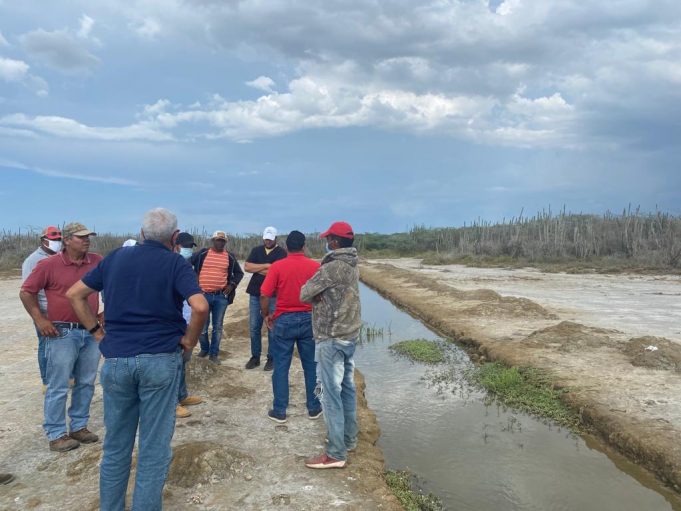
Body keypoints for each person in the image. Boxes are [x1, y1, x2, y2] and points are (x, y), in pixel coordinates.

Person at [66, 208, 209, 511]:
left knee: (116, 446)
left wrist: (97, 333)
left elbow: (75, 294)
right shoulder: (175, 263)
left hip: (117, 360)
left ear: (142, 233)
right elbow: (199, 307)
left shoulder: (115, 258)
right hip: (159, 359)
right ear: (174, 238)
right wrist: (188, 343)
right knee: (153, 449)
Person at [19, 222, 103, 452]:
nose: (87, 240)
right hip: (62, 331)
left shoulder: (96, 261)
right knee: (59, 384)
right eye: (81, 237)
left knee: (86, 381)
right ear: (66, 240)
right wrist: (40, 319)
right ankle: (56, 434)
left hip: (91, 330)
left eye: (89, 237)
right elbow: (27, 292)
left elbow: (112, 285)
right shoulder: (49, 265)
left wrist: (107, 312)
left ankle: (79, 426)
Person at [301, 221, 361, 469]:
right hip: (349, 335)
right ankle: (349, 439)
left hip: (331, 337)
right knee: (347, 388)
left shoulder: (332, 266)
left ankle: (336, 453)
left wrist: (316, 294)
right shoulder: (352, 263)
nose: (327, 241)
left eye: (329, 238)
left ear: (335, 241)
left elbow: (304, 293)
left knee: (330, 395)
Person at [260, 230, 322, 423]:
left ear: (287, 247)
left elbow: (264, 295)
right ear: (304, 246)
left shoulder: (278, 267)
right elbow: (321, 296)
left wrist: (266, 316)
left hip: (284, 320)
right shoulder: (315, 266)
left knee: (281, 366)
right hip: (307, 319)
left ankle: (280, 410)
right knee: (311, 366)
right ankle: (314, 408)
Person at [190, 230, 243, 364]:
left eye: (223, 241)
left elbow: (239, 273)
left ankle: (214, 354)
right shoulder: (202, 254)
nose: (220, 242)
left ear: (225, 242)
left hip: (220, 297)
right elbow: (186, 263)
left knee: (217, 327)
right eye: (218, 240)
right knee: (202, 326)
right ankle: (204, 349)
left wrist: (232, 285)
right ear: (213, 241)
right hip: (203, 296)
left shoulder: (230, 257)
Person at [21, 225, 62, 387]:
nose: (57, 242)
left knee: (63, 345)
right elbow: (27, 291)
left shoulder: (60, 257)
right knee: (45, 346)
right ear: (44, 241)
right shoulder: (33, 261)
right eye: (54, 240)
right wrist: (38, 317)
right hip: (43, 312)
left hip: (60, 312)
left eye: (59, 239)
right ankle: (47, 381)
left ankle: (68, 376)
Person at [244, 226, 287, 371]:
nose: (267, 240)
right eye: (266, 238)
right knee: (254, 327)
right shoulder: (256, 250)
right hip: (255, 293)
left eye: (270, 238)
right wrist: (266, 266)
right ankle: (255, 357)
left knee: (272, 327)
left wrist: (262, 269)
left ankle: (271, 358)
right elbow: (247, 267)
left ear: (276, 238)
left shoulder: (281, 253)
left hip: (274, 295)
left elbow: (278, 271)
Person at [174, 232, 203, 419]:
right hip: (175, 324)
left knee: (183, 362)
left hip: (188, 321)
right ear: (176, 246)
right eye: (185, 246)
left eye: (190, 247)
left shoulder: (189, 267)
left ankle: (182, 395)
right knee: (174, 364)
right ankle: (172, 403)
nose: (188, 250)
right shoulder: (170, 266)